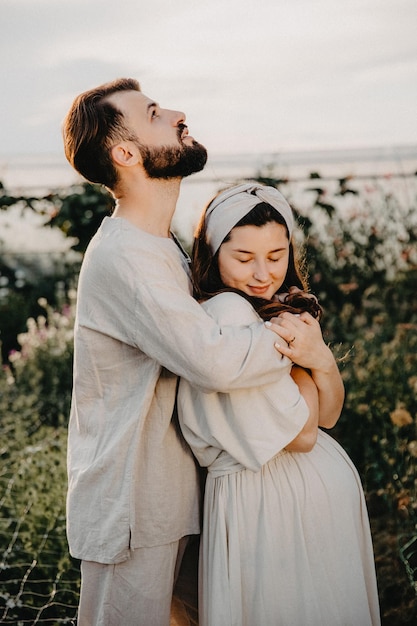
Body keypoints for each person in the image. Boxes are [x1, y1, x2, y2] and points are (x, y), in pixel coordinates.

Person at [62, 79, 310, 626]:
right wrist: (293, 330)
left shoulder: (156, 245)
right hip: (133, 506)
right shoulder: (125, 257)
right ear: (125, 153)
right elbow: (213, 360)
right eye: (153, 113)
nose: (175, 113)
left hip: (173, 498)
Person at [178, 183, 381, 626]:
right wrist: (304, 360)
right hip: (266, 507)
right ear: (212, 255)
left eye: (276, 256)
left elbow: (328, 415)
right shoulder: (228, 315)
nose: (262, 273)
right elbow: (304, 435)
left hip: (296, 509)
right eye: (244, 258)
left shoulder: (267, 311)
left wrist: (320, 359)